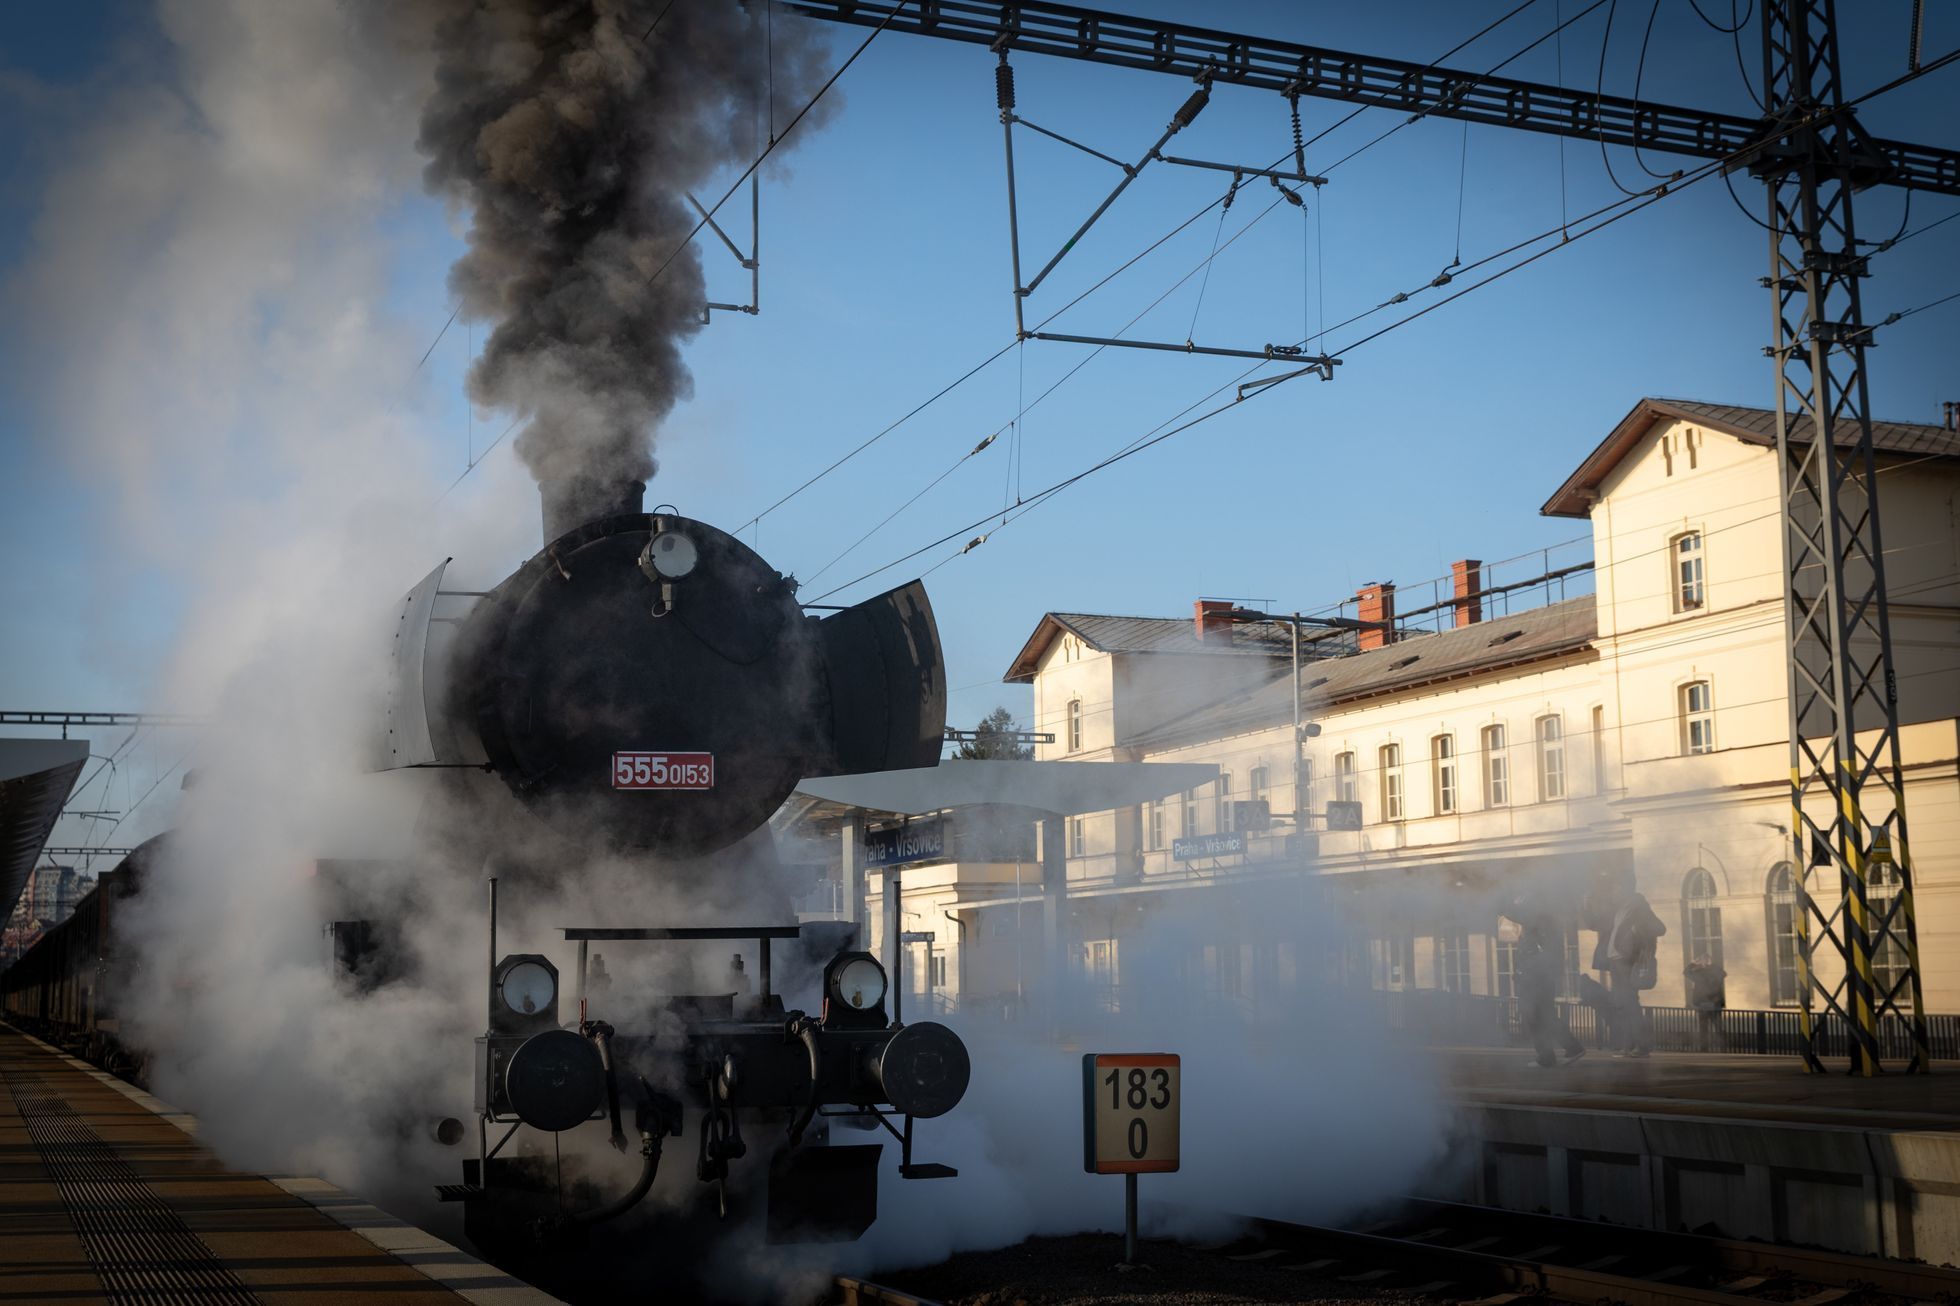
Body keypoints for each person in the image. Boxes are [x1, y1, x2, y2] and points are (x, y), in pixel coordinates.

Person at [1586, 870, 1666, 1057]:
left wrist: (1637, 932)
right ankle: (1628, 1046)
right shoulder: (1617, 907)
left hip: (1627, 961)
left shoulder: (1638, 905)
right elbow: (1595, 924)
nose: (1613, 890)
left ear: (1625, 887)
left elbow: (1660, 928)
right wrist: (1587, 906)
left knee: (1629, 1003)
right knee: (1621, 1004)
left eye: (1615, 886)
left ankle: (1641, 1046)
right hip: (1615, 961)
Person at [1508, 900, 1586, 1068]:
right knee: (1541, 1017)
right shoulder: (1540, 923)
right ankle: (1555, 1053)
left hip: (1535, 979)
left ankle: (1559, 1052)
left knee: (1538, 1017)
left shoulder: (1538, 921)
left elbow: (1514, 912)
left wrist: (1501, 899)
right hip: (1536, 977)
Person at [1685, 956, 1727, 1051]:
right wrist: (1695, 964)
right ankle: (1716, 1048)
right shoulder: (1703, 974)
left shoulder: (1703, 974)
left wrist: (1693, 964)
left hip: (1709, 1004)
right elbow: (1723, 974)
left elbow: (1686, 972)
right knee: (1712, 1027)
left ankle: (1708, 1048)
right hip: (1709, 1004)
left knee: (1712, 1027)